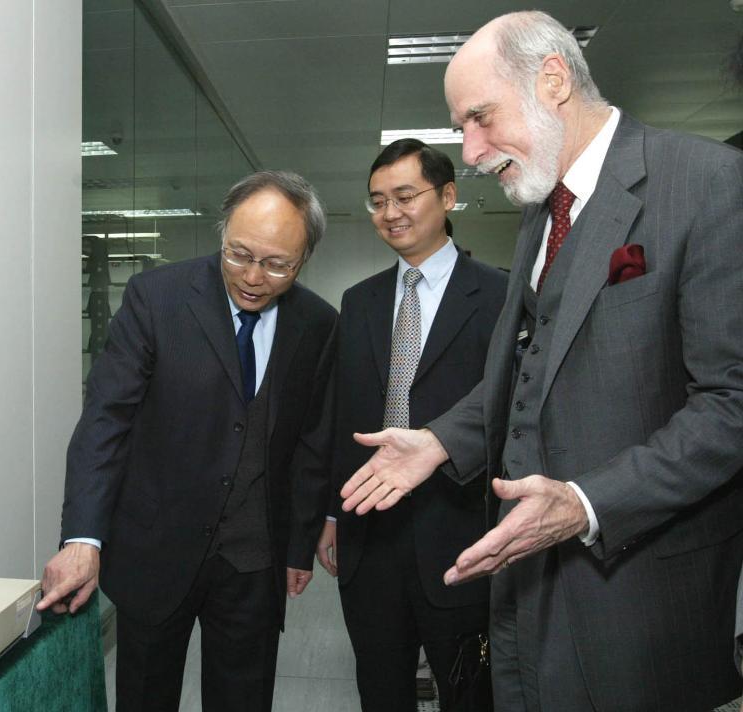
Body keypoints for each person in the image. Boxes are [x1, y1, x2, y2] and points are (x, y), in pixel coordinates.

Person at [340, 11, 743, 712]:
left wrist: (586, 503)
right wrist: (440, 441)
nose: (471, 151)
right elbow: (525, 371)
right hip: (529, 589)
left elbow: (730, 405)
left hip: (637, 595)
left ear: (553, 80)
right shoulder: (540, 214)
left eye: (480, 118)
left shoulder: (706, 182)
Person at [37, 170, 337, 712]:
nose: (253, 277)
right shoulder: (157, 298)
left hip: (253, 560)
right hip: (156, 550)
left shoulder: (317, 323)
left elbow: (311, 443)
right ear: (223, 234)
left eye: (277, 265)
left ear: (304, 258)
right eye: (239, 254)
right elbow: (106, 421)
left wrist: (299, 544)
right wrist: (83, 538)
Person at [315, 139, 504, 711]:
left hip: (460, 532)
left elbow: (512, 410)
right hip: (369, 538)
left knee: (470, 694)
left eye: (404, 196)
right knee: (380, 691)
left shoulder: (501, 295)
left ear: (447, 196)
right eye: (377, 202)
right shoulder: (359, 301)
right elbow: (343, 414)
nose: (389, 213)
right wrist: (332, 513)